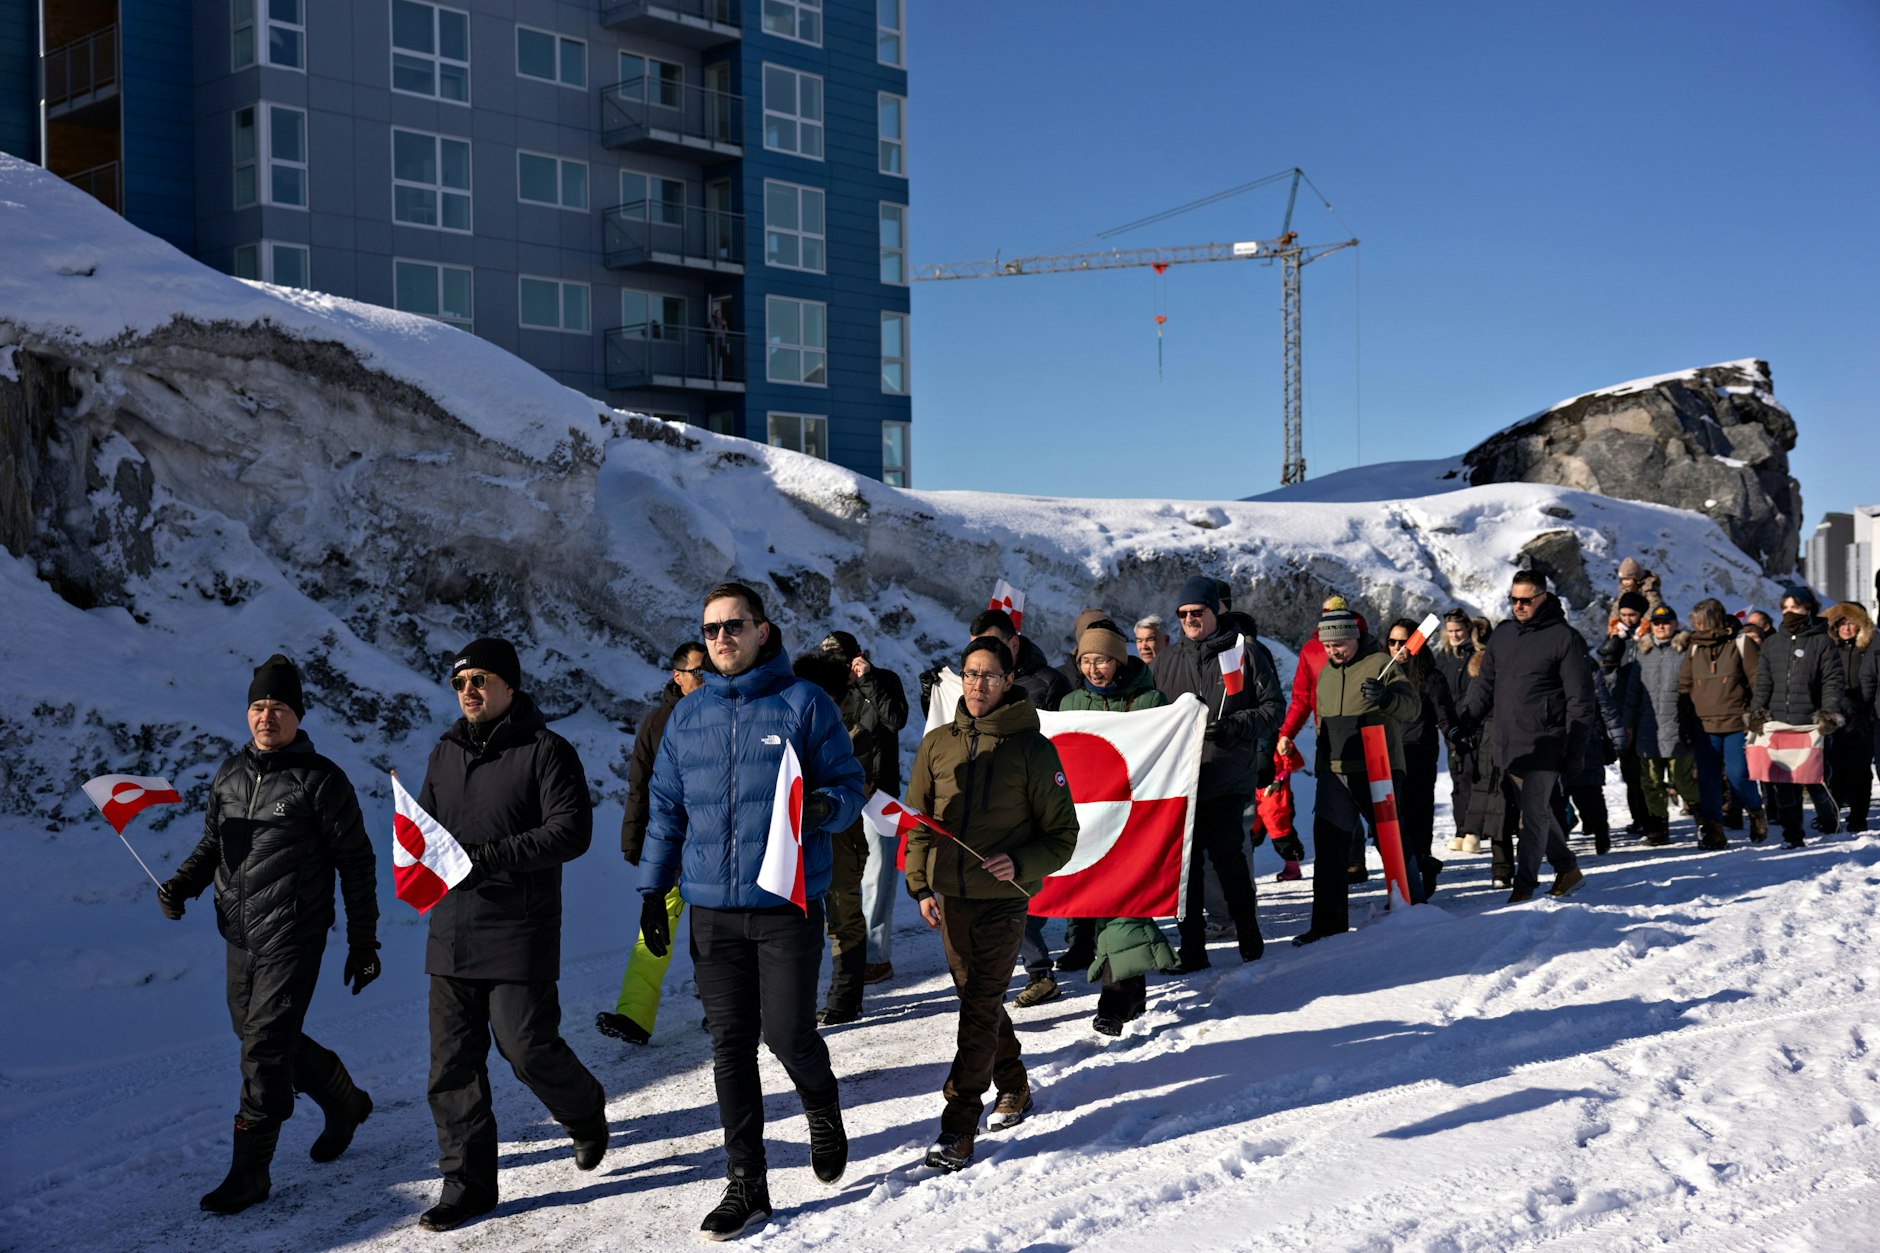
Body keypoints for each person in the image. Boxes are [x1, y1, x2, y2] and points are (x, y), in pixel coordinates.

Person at [641, 583, 865, 1239]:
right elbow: (666, 811)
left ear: (762, 630)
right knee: (729, 1045)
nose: (719, 639)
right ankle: (748, 1183)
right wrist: (654, 892)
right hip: (712, 910)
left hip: (786, 903)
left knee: (788, 1033)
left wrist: (822, 809)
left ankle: (821, 1102)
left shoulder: (805, 704)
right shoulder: (687, 717)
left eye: (732, 626)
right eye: (709, 630)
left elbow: (848, 788)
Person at [157, 655, 379, 1215]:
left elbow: (356, 862)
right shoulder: (230, 774)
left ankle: (250, 1173)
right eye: (258, 706)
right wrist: (181, 885)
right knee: (255, 1033)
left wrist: (363, 941)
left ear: (297, 716)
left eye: (278, 707)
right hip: (238, 931)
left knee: (262, 1048)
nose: (266, 716)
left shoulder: (322, 779)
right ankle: (344, 1100)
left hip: (294, 934)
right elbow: (214, 844)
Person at [416, 638, 607, 1232]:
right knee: (452, 1066)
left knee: (527, 1048)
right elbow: (426, 832)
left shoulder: (547, 750)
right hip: (450, 929)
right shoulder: (444, 753)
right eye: (460, 682)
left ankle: (584, 1112)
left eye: (480, 679)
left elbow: (570, 832)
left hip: (519, 927)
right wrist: (415, 848)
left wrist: (489, 855)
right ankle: (467, 1186)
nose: (469, 690)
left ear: (510, 687)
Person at [903, 637, 1080, 1171]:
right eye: (971, 674)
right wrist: (920, 885)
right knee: (977, 1005)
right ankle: (1016, 1084)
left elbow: (1062, 835)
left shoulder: (1033, 749)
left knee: (979, 1007)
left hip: (1004, 902)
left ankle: (957, 1126)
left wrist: (1019, 863)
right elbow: (918, 821)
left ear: (1009, 683)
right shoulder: (936, 745)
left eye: (990, 676)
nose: (978, 685)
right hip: (951, 900)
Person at [1150, 574, 1284, 968]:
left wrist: (1232, 727)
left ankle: (1247, 930)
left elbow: (1272, 708)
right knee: (1186, 867)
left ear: (1215, 610)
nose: (1191, 619)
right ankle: (1192, 946)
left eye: (1198, 612)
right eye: (1184, 614)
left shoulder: (1244, 653)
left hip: (1227, 774)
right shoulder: (1165, 663)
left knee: (1228, 857)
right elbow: (1150, 717)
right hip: (1183, 780)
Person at [1059, 624, 1178, 1036]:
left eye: (1103, 660)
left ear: (1120, 661)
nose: (1095, 668)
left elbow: (1165, 753)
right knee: (1105, 906)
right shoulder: (1071, 702)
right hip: (1092, 820)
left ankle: (1113, 1000)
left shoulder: (1148, 701)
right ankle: (1133, 993)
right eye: (1087, 661)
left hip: (1138, 818)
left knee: (1125, 905)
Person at [1455, 570, 1595, 903]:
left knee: (1530, 818)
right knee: (1538, 812)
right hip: (1509, 742)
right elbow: (1484, 686)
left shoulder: (1565, 638)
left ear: (1543, 598)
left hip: (1546, 742)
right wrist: (1464, 722)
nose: (1518, 606)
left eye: (1525, 600)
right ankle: (1567, 868)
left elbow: (1581, 700)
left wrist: (1575, 751)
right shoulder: (1503, 635)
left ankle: (1524, 886)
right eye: (1513, 599)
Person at [597, 641, 708, 1046]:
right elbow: (639, 786)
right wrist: (633, 841)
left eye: (708, 669)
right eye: (698, 670)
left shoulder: (728, 711)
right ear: (677, 676)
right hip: (672, 846)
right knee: (653, 932)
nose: (705, 677)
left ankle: (722, 1009)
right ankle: (634, 1018)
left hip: (717, 845)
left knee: (715, 934)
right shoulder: (656, 722)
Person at [1293, 609, 1424, 944]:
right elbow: (1322, 722)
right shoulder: (1325, 674)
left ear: (1355, 636)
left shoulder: (1380, 663)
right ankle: (1327, 924)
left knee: (1390, 839)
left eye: (1340, 644)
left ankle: (1413, 907)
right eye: (1328, 646)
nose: (1335, 651)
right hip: (1335, 773)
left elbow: (1412, 708)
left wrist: (1386, 697)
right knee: (1330, 847)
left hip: (1377, 768)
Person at [815, 630, 911, 1000]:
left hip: (878, 792)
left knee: (879, 876)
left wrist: (868, 680)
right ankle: (847, 955)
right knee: (838, 876)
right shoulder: (825, 689)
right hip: (838, 793)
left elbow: (896, 719)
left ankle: (876, 957)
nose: (836, 667)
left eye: (841, 659)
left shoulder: (883, 680)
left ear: (858, 655)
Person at [1277, 594, 1371, 881]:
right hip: (1328, 736)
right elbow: (1302, 698)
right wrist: (1286, 733)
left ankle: (1404, 867)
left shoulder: (1364, 645)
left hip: (1369, 736)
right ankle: (1350, 861)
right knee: (1337, 803)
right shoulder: (1312, 651)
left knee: (1377, 804)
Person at [1749, 586, 1848, 846]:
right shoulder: (1772, 643)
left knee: (1816, 780)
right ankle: (1792, 835)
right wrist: (1757, 711)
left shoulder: (1821, 642)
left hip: (1811, 725)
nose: (1789, 613)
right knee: (1784, 783)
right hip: (1780, 722)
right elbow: (1763, 682)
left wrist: (1827, 713)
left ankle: (1830, 822)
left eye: (1795, 607)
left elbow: (1832, 680)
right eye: (1785, 608)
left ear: (1808, 609)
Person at [1678, 598, 1767, 845]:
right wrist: (1684, 722)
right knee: (1707, 779)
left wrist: (1756, 715)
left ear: (1714, 621)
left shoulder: (1741, 643)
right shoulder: (1693, 648)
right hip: (1703, 726)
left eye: (1701, 622)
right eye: (1694, 623)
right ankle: (1713, 829)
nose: (1697, 627)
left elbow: (1758, 682)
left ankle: (1756, 811)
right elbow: (1684, 687)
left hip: (1737, 723)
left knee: (1739, 776)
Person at [1385, 618, 1454, 897]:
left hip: (1418, 756)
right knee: (1393, 822)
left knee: (1417, 818)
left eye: (1404, 641)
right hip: (1387, 756)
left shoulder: (1430, 677)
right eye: (1392, 642)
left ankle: (1422, 872)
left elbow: (1445, 715)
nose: (1398, 648)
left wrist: (1457, 735)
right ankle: (1403, 881)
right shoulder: (1383, 674)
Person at [1624, 606, 1700, 846]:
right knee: (1651, 782)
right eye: (1656, 622)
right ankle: (1658, 829)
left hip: (1678, 728)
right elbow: (1632, 693)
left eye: (1666, 622)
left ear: (1675, 623)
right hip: (1648, 729)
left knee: (1684, 780)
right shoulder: (1642, 652)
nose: (1661, 626)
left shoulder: (1687, 651)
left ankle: (1706, 824)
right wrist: (1628, 725)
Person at [1599, 590, 1651, 835]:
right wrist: (1615, 642)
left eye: (1632, 615)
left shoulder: (1649, 635)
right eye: (1624, 614)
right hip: (1622, 708)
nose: (1628, 619)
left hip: (1645, 709)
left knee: (1646, 770)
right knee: (1630, 769)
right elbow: (1607, 671)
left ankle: (1653, 816)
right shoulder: (1615, 635)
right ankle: (1639, 817)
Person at [1432, 609, 1481, 851]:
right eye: (1450, 631)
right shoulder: (1442, 657)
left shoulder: (1478, 655)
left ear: (1468, 629)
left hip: (1476, 726)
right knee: (1458, 778)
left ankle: (1474, 830)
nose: (1454, 635)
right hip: (1450, 728)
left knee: (1474, 776)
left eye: (1458, 630)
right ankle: (1461, 828)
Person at [1824, 603, 1875, 832]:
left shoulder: (1871, 648)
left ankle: (1858, 817)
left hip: (1863, 717)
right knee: (1834, 771)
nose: (1846, 628)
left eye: (1851, 622)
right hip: (1834, 716)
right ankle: (1830, 817)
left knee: (1860, 772)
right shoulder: (1827, 648)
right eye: (1841, 623)